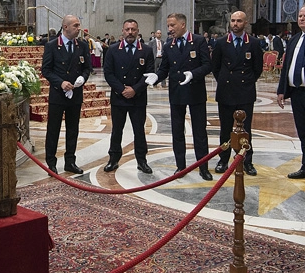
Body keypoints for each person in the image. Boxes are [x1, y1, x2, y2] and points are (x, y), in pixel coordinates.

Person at [145, 13, 214, 180]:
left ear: (182, 25)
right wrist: (156, 77)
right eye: (168, 25)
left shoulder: (198, 41)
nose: (169, 29)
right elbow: (165, 69)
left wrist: (193, 73)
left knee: (199, 132)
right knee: (177, 131)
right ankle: (180, 166)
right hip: (176, 93)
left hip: (195, 91)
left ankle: (203, 167)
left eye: (172, 25)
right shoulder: (169, 45)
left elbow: (207, 66)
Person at [211, 11, 263, 176]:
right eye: (233, 20)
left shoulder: (253, 43)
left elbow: (257, 68)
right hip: (226, 91)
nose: (235, 24)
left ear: (245, 23)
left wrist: (246, 81)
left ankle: (246, 161)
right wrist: (226, 80)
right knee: (225, 129)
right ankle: (223, 159)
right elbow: (215, 67)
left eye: (239, 21)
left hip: (245, 92)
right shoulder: (221, 43)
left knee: (245, 129)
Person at [41, 14, 92, 175]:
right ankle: (51, 163)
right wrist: (60, 82)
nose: (79, 29)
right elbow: (46, 70)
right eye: (76, 26)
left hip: (75, 94)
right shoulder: (51, 46)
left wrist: (82, 78)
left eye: (79, 25)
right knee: (53, 130)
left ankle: (70, 161)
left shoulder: (82, 46)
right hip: (58, 94)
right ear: (65, 27)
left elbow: (87, 68)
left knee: (73, 130)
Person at [103, 19, 155, 174]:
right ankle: (113, 159)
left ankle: (142, 160)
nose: (130, 32)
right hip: (119, 97)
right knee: (116, 130)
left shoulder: (146, 50)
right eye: (127, 29)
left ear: (138, 31)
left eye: (133, 29)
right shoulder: (113, 50)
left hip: (138, 97)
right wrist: (122, 89)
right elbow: (108, 73)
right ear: (122, 31)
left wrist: (135, 89)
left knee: (139, 130)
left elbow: (150, 74)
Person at [277, 5, 305, 179]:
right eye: (300, 15)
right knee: (302, 131)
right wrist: (282, 90)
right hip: (297, 92)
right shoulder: (295, 39)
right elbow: (287, 66)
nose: (302, 18)